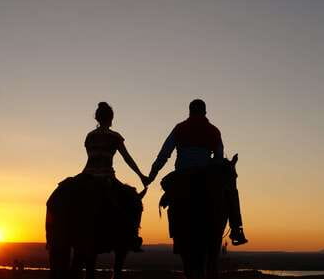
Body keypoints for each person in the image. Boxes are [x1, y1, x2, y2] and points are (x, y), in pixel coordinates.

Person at [148, 99, 248, 245]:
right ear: (205, 112)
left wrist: (152, 175)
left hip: (182, 176)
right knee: (230, 191)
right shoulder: (214, 131)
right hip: (206, 176)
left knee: (170, 195)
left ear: (189, 112)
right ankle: (236, 229)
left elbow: (164, 154)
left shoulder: (179, 128)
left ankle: (177, 236)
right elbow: (219, 157)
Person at [79, 102, 149, 251]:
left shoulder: (89, 136)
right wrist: (141, 175)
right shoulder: (115, 136)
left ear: (97, 118)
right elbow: (127, 158)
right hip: (106, 177)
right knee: (133, 202)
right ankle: (131, 237)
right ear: (111, 118)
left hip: (86, 175)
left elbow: (91, 157)